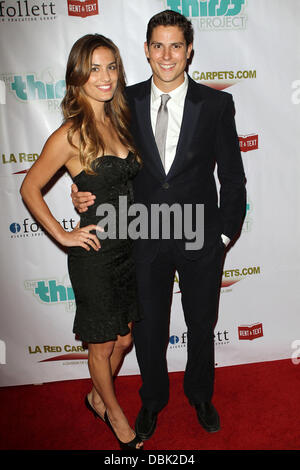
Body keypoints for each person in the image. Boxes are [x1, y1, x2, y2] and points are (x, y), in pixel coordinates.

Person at [72, 10, 246, 440]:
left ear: (189, 51)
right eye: (157, 45)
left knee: (201, 322)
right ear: (146, 51)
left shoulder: (216, 103)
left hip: (199, 235)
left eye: (175, 45)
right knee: (149, 329)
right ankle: (152, 400)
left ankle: (201, 394)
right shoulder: (121, 101)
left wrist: (223, 233)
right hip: (143, 237)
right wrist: (81, 191)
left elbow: (233, 175)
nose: (166, 55)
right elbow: (97, 158)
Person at [20, 34, 144, 450]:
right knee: (102, 342)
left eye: (111, 67)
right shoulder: (70, 134)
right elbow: (30, 188)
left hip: (129, 249)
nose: (105, 77)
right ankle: (114, 413)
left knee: (124, 339)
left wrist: (83, 190)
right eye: (94, 69)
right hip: (94, 254)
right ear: (78, 76)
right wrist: (63, 233)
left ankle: (96, 393)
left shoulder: (119, 120)